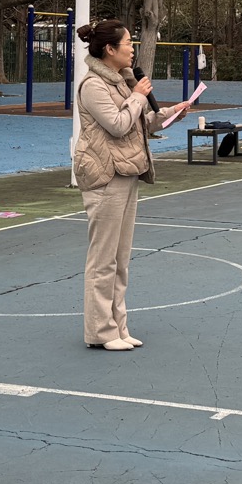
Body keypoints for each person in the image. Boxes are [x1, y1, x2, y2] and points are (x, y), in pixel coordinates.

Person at [73, 20, 192, 352]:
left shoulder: (123, 81)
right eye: (127, 43)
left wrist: (170, 113)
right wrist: (138, 96)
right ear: (110, 49)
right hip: (104, 174)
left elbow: (138, 123)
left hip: (126, 170)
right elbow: (117, 124)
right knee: (103, 260)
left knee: (120, 259)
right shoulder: (93, 85)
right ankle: (100, 331)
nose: (132, 49)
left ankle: (118, 327)